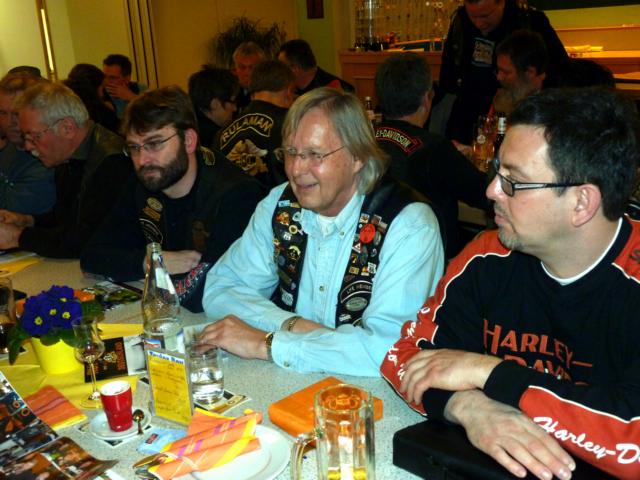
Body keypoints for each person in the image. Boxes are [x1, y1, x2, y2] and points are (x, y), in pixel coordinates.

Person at [381, 87, 640, 479]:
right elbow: (404, 357)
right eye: (496, 171)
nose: (491, 191)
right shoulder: (487, 256)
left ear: (582, 203)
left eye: (513, 182)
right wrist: (469, 407)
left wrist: (489, 373)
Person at [199, 87, 444, 376]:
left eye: (315, 155)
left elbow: (389, 350)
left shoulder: (408, 225)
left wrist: (269, 344)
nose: (296, 169)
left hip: (373, 394)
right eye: (291, 152)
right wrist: (292, 325)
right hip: (292, 381)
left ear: (358, 157)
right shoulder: (280, 204)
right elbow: (220, 288)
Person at [80, 86, 262, 312]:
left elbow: (206, 294)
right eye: (134, 148)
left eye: (155, 144)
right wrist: (154, 261)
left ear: (189, 140)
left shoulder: (237, 194)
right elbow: (92, 256)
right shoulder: (146, 181)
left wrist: (132, 265)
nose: (142, 160)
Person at [374, 52, 488, 258]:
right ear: (426, 99)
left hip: (373, 252)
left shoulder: (363, 140)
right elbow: (486, 193)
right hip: (428, 260)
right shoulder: (435, 149)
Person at [0, 82, 132, 257]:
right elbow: (67, 218)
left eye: (34, 136)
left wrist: (18, 236)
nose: (28, 146)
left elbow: (86, 241)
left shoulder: (111, 164)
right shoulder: (69, 156)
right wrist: (27, 221)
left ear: (67, 128)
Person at [435, 0, 568, 144]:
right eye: (473, 16)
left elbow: (561, 73)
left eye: (485, 16)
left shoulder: (529, 21)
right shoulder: (460, 22)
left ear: (502, 3)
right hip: (465, 122)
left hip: (517, 124)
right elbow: (447, 77)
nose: (479, 23)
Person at [215, 59, 295, 192]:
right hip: (276, 202)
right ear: (288, 90)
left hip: (233, 203)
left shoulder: (222, 134)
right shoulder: (290, 124)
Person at [0, 73, 55, 215]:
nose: (10, 122)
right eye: (3, 113)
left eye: (16, 113)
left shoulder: (46, 158)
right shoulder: (10, 145)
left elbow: (11, 211)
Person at [491, 29, 548, 116]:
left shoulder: (548, 113)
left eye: (506, 72)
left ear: (530, 73)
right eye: (498, 70)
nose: (498, 77)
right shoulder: (502, 98)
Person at [278, 39, 355, 96]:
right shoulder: (289, 91)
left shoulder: (336, 92)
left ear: (295, 69)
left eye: (282, 67)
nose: (280, 72)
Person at [187, 66, 239, 150]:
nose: (235, 108)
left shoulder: (186, 123)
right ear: (215, 104)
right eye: (232, 102)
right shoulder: (216, 141)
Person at [65, 63, 119, 133]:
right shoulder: (101, 113)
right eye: (102, 88)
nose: (102, 94)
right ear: (93, 89)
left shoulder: (61, 106)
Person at [102, 53, 147, 119]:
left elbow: (155, 114)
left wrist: (132, 97)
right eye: (104, 76)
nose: (106, 81)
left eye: (112, 78)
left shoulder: (140, 89)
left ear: (127, 78)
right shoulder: (100, 93)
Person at [231, 42, 266, 112]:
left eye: (252, 67)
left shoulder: (270, 94)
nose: (247, 73)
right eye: (242, 67)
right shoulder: (230, 94)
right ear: (235, 69)